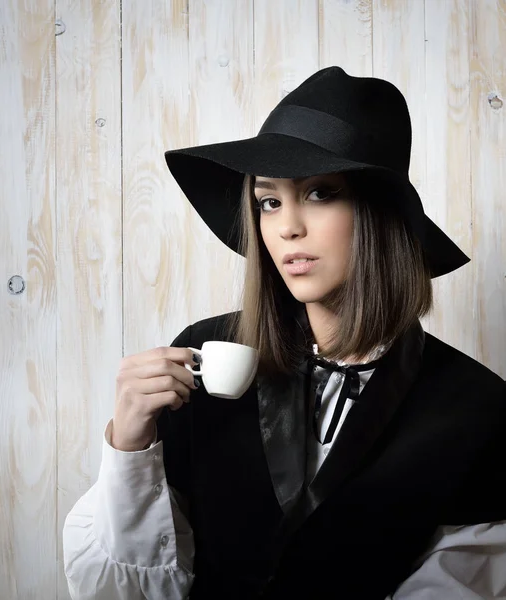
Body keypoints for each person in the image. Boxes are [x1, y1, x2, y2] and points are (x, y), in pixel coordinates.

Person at [63, 66, 506, 599]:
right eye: (269, 201)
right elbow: (126, 587)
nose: (286, 226)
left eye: (320, 194)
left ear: (380, 214)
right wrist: (131, 444)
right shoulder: (205, 353)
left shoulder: (473, 404)